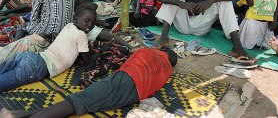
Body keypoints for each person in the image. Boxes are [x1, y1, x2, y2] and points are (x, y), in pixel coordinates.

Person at [0, 48, 177, 117]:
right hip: (133, 95)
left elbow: (127, 64)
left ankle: (17, 116)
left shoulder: (148, 51)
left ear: (162, 51)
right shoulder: (168, 70)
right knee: (82, 103)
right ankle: (15, 115)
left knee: (78, 101)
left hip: (124, 79)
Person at [0, 2, 98, 93]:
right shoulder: (82, 35)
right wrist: (100, 53)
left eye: (93, 22)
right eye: (87, 20)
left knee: (5, 68)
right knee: (12, 79)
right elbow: (88, 60)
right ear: (76, 19)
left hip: (31, 56)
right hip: (39, 66)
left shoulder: (69, 26)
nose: (90, 24)